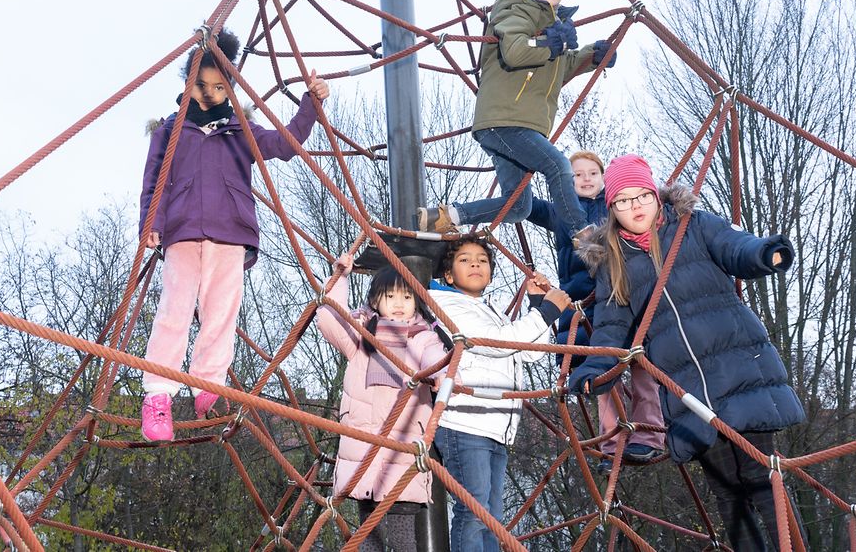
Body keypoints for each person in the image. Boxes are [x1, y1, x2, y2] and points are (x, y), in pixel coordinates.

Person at [568, 154, 805, 551]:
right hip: (686, 388)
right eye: (622, 201)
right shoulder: (615, 261)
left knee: (763, 477)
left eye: (641, 195)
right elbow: (612, 325)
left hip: (737, 366)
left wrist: (765, 253)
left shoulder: (691, 226)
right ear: (611, 208)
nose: (634, 207)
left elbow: (736, 247)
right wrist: (594, 369)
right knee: (729, 493)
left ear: (656, 195)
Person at [137, 28, 330, 441]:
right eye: (201, 85)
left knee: (221, 311)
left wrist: (310, 104)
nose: (209, 93)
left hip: (230, 231)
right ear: (187, 84)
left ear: (231, 87)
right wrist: (150, 224)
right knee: (174, 306)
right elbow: (153, 181)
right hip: (182, 230)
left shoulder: (240, 129)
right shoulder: (170, 130)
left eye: (219, 86)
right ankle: (158, 395)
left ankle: (208, 386)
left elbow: (285, 143)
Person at [417, 0, 616, 247]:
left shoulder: (554, 23)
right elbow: (516, 50)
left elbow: (558, 71)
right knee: (558, 165)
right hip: (505, 119)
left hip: (520, 124)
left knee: (519, 206)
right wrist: (550, 41)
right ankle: (584, 234)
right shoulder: (515, 9)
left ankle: (445, 217)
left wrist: (593, 55)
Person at [525, 151, 664, 474]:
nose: (586, 179)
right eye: (576, 175)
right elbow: (524, 204)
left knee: (643, 363)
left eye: (593, 173)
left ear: (604, 179)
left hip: (622, 293)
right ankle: (612, 444)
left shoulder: (615, 208)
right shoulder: (560, 211)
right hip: (583, 303)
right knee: (602, 375)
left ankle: (648, 436)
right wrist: (523, 161)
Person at [429, 238, 571, 551]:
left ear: (492, 272)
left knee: (491, 518)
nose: (476, 264)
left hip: (495, 426)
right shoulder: (446, 305)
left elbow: (529, 353)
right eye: (465, 260)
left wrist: (536, 305)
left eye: (482, 260)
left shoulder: (488, 310)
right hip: (464, 421)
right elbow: (496, 344)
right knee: (474, 511)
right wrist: (547, 310)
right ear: (448, 275)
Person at [315, 255, 452, 552]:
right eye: (390, 296)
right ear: (376, 299)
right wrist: (340, 277)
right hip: (365, 446)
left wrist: (439, 374)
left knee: (404, 537)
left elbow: (435, 358)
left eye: (406, 296)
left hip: (403, 445)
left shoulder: (424, 336)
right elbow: (328, 319)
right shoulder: (363, 335)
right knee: (369, 537)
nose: (399, 303)